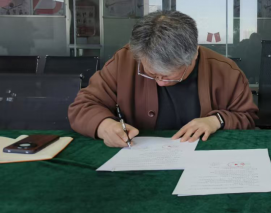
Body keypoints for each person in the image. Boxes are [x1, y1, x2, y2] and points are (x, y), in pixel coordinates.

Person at [69, 11, 258, 147]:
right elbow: (83, 106)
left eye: (168, 76)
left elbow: (248, 117)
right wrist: (104, 126)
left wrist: (216, 120)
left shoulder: (225, 71)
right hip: (140, 158)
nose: (160, 82)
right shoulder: (125, 61)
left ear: (194, 54)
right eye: (152, 74)